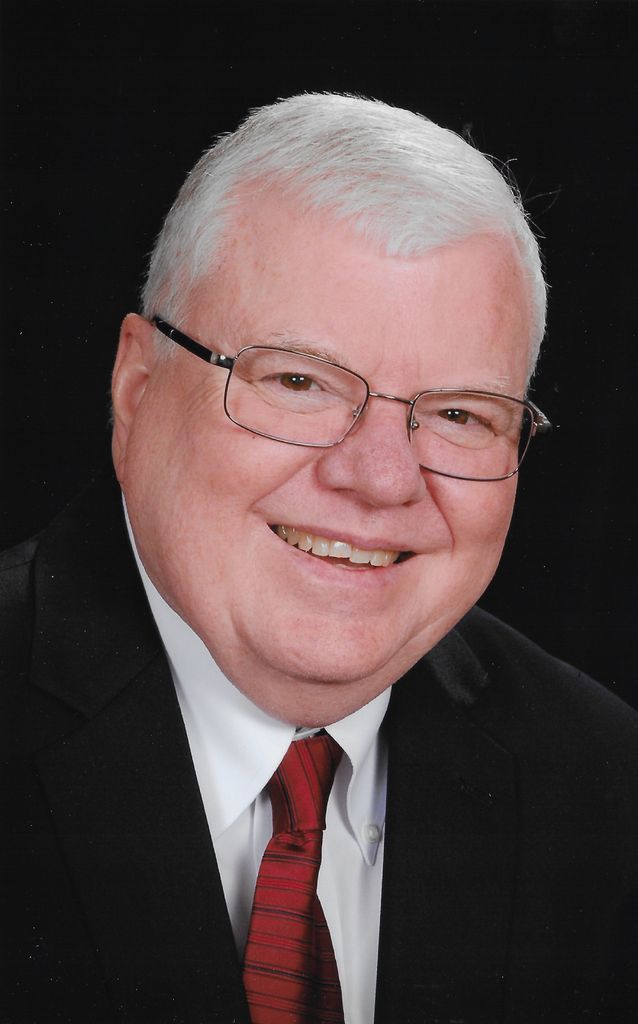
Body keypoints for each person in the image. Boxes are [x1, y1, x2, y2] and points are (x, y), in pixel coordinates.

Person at [2, 93, 637, 1024]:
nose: (381, 479)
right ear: (136, 390)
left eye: (460, 414)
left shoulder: (606, 791)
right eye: (298, 381)